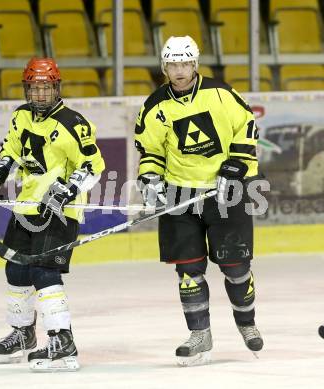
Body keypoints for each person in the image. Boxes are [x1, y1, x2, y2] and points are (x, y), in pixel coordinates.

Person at [134, 35, 263, 366]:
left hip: (227, 191)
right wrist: (150, 178)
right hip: (181, 196)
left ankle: (246, 324)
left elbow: (247, 128)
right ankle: (199, 334)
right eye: (172, 65)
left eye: (185, 64)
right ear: (165, 67)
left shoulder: (221, 94)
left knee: (236, 269)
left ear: (195, 64)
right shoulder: (154, 106)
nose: (179, 71)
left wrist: (234, 168)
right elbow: (150, 151)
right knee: (189, 271)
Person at [0, 57, 105, 371]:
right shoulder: (21, 116)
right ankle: (23, 333)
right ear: (26, 89)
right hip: (27, 205)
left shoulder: (74, 123)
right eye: (35, 88)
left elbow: (93, 165)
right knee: (17, 270)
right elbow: (12, 152)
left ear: (56, 88)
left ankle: (62, 340)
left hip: (60, 211)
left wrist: (69, 189)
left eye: (46, 88)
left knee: (44, 271)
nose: (40, 94)